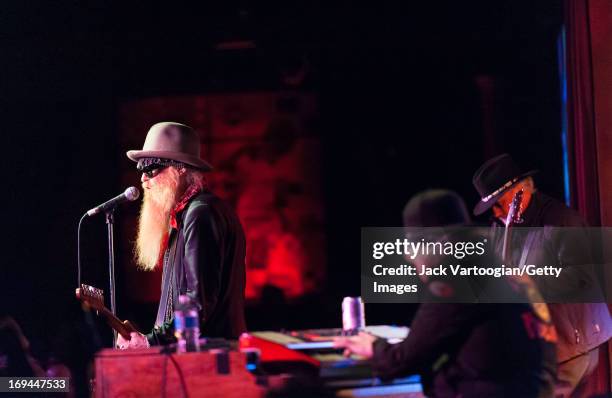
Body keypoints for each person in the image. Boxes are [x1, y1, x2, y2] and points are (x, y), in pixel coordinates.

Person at [335, 190, 558, 398]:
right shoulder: (501, 267)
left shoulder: (457, 276)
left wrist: (372, 346)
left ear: (437, 243)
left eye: (412, 247)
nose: (409, 258)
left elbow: (404, 360)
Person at [471, 153, 612, 397]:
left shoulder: (561, 220)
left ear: (521, 191)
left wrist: (528, 281)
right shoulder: (501, 227)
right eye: (490, 206)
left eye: (499, 202)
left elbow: (582, 279)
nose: (495, 212)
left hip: (572, 346)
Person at [117, 122, 247, 349]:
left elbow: (198, 304)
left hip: (208, 359)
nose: (143, 180)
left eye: (151, 170)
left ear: (180, 168)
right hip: (198, 354)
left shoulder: (201, 214)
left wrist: (150, 342)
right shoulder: (187, 215)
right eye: (141, 172)